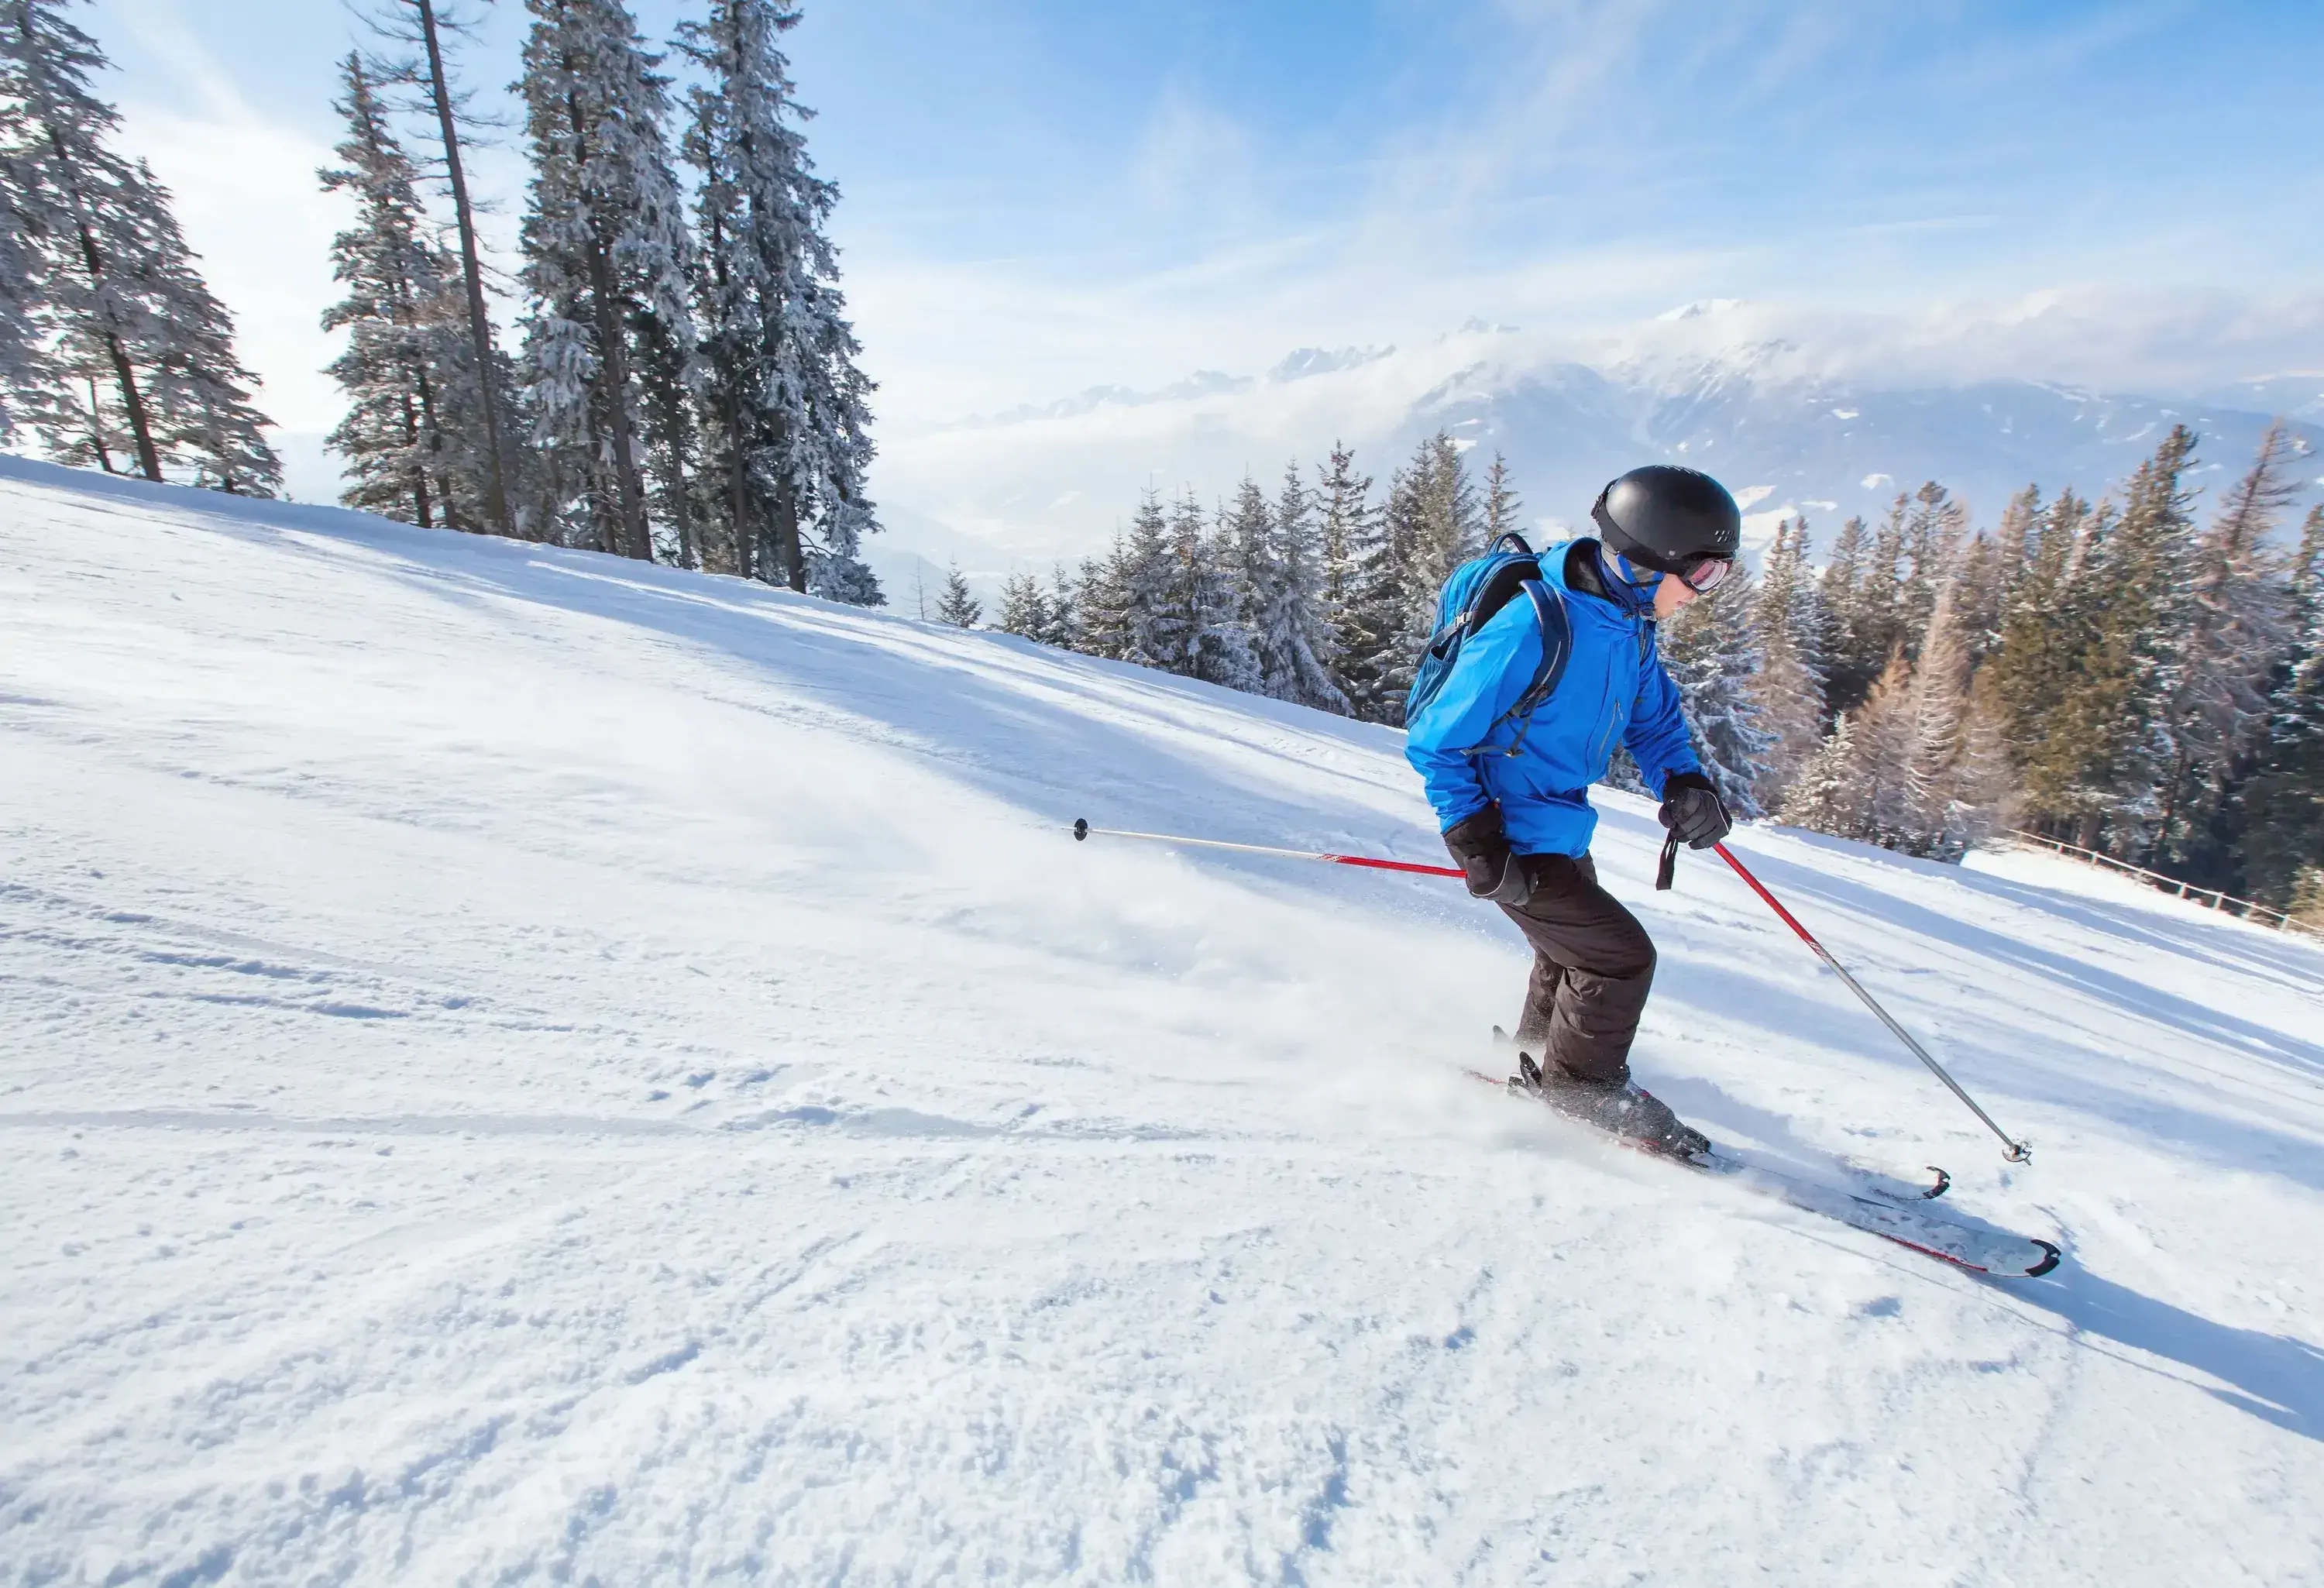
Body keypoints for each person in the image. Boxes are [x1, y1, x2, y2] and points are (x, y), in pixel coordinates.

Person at [1404, 464, 1741, 1156]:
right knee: (1619, 959)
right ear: (1649, 559)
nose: (1703, 592)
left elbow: (1653, 721)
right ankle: (1582, 1090)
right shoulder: (1534, 624)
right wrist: (1476, 841)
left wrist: (1685, 781)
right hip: (1508, 830)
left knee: (1569, 957)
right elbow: (1437, 740)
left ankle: (1535, 1056)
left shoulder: (1628, 625)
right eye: (1703, 574)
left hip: (1557, 823)